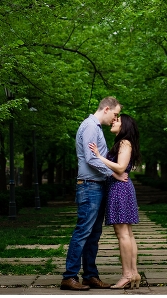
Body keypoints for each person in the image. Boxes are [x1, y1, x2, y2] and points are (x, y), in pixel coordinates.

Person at [60, 97, 127, 291]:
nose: (115, 119)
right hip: (89, 186)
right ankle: (69, 276)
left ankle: (90, 275)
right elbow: (91, 159)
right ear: (106, 109)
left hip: (97, 186)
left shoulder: (96, 128)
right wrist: (114, 174)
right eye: (115, 114)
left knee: (93, 234)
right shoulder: (90, 126)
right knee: (83, 232)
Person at [88, 113, 142, 290]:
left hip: (120, 190)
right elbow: (118, 170)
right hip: (121, 189)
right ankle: (133, 273)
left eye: (117, 120)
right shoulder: (123, 142)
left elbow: (120, 167)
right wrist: (112, 172)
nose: (113, 121)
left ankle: (127, 275)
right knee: (127, 233)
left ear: (124, 125)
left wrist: (98, 155)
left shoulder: (124, 143)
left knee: (123, 234)